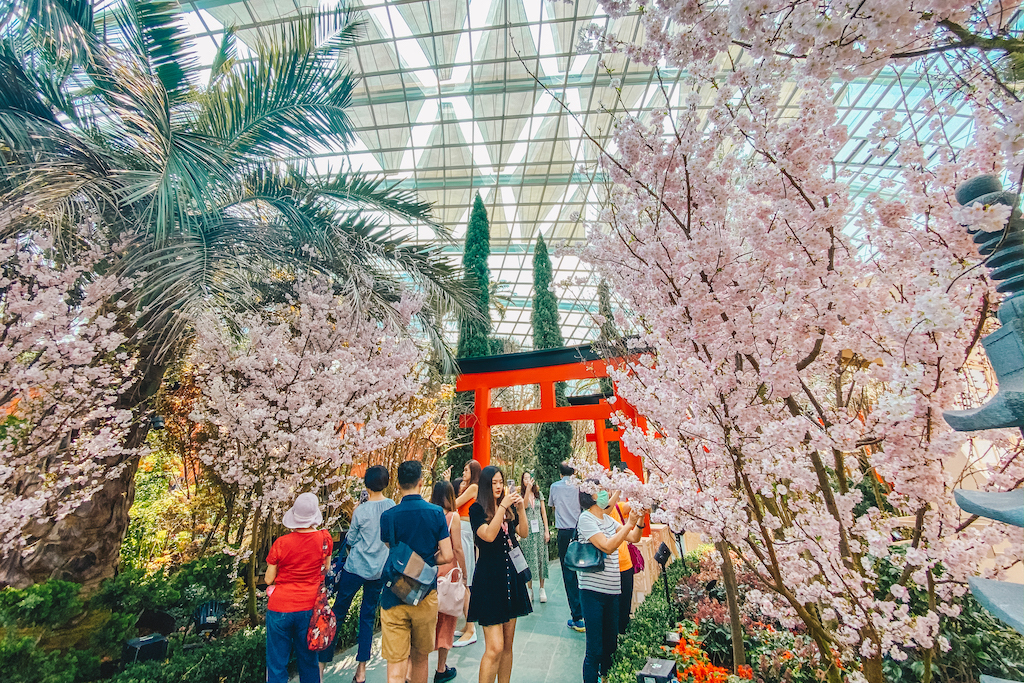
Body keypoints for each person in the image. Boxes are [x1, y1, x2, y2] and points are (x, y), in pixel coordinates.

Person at [379, 460, 454, 683]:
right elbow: (448, 555)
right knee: (421, 658)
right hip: (424, 595)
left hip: (395, 596)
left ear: (399, 483)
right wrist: (428, 561)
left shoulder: (388, 516)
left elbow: (392, 552)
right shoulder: (436, 513)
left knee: (396, 661)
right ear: (421, 482)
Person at [318, 466, 395, 683]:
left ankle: (321, 667)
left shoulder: (361, 510)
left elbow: (350, 539)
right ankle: (361, 671)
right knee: (367, 617)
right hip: (379, 570)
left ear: (366, 485)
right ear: (386, 483)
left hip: (356, 568)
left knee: (338, 613)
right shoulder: (391, 506)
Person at [467, 465, 533, 683]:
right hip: (489, 581)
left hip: (511, 579)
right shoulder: (477, 509)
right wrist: (501, 507)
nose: (498, 486)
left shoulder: (509, 509)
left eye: (500, 482)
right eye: (493, 483)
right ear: (486, 485)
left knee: (507, 646)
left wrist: (520, 509)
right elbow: (487, 535)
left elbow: (523, 533)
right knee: (494, 648)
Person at [576, 485, 643, 683]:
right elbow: (607, 546)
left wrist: (639, 520)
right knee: (594, 649)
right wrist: (628, 524)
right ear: (591, 495)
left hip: (613, 590)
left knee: (610, 646)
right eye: (600, 490)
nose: (605, 493)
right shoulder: (586, 518)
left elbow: (633, 538)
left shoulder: (607, 519)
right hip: (592, 592)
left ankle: (606, 678)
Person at [264, 492, 332, 683]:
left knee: (276, 664)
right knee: (309, 661)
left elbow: (269, 579)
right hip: (310, 609)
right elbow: (325, 568)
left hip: (280, 608)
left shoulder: (281, 543)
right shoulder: (325, 539)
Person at [430, 480, 466, 683]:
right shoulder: (453, 517)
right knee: (447, 622)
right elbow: (458, 548)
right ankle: (441, 669)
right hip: (449, 573)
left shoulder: (429, 515)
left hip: (429, 573)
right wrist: (465, 572)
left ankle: (415, 668)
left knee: (427, 623)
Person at [549, 461, 584, 631]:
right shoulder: (580, 486)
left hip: (563, 533)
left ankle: (577, 617)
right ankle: (587, 612)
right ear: (574, 472)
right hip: (580, 530)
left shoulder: (554, 487)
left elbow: (553, 505)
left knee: (568, 573)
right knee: (584, 569)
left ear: (561, 474)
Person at [453, 459, 482, 647]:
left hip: (464, 529)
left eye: (466, 470)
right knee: (464, 580)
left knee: (464, 580)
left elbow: (455, 503)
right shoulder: (469, 487)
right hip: (462, 528)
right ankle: (467, 625)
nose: (464, 472)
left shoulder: (473, 487)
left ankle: (471, 628)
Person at [608, 491, 643, 633]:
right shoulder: (593, 517)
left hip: (625, 565)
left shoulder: (618, 508)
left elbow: (634, 537)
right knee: (611, 612)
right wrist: (617, 489)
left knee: (624, 609)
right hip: (609, 570)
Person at [518, 470, 550, 602]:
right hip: (527, 531)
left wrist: (547, 531)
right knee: (529, 558)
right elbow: (524, 506)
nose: (527, 480)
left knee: (541, 557)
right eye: (525, 478)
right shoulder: (520, 495)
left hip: (539, 529)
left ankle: (542, 588)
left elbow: (543, 512)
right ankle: (529, 589)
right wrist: (527, 491)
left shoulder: (539, 494)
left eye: (529, 478)